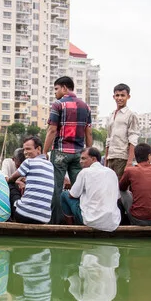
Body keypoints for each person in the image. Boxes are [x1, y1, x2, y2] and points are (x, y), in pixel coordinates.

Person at [43, 75, 93, 223]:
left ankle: (56, 222)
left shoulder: (58, 104)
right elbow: (88, 132)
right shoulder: (86, 106)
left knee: (56, 189)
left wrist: (44, 152)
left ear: (65, 88)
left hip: (60, 152)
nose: (55, 92)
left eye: (56, 89)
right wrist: (89, 152)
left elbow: (52, 130)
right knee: (79, 189)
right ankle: (80, 220)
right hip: (79, 153)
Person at [60, 147, 121, 231]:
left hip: (91, 220)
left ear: (93, 159)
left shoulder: (85, 172)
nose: (80, 161)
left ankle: (71, 229)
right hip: (112, 222)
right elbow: (117, 197)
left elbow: (72, 195)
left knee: (64, 195)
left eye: (83, 158)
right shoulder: (112, 173)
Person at [7, 136, 55, 224]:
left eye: (28, 149)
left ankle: (8, 218)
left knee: (10, 185)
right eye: (24, 150)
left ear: (38, 149)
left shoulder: (29, 162)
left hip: (24, 215)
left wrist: (12, 181)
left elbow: (12, 178)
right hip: (44, 219)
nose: (25, 152)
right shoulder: (50, 165)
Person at [118, 142, 151, 226]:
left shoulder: (130, 170)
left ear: (135, 157)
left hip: (137, 219)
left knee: (122, 192)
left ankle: (120, 222)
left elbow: (121, 188)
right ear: (150, 156)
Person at [103, 83, 138, 178]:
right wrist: (106, 159)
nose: (120, 98)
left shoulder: (131, 115)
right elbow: (108, 139)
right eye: (117, 95)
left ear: (128, 97)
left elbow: (133, 139)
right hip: (111, 156)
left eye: (123, 95)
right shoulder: (111, 115)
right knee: (109, 186)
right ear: (113, 97)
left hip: (122, 157)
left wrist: (129, 162)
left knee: (119, 187)